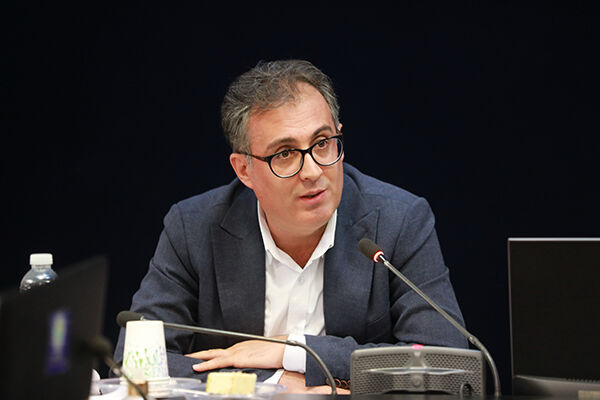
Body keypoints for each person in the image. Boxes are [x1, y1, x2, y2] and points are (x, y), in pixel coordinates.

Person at [114, 59, 467, 393]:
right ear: (244, 170)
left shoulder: (399, 220)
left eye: (322, 143)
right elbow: (136, 364)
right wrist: (272, 383)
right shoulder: (194, 228)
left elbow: (448, 364)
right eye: (285, 153)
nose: (312, 171)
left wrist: (296, 351)